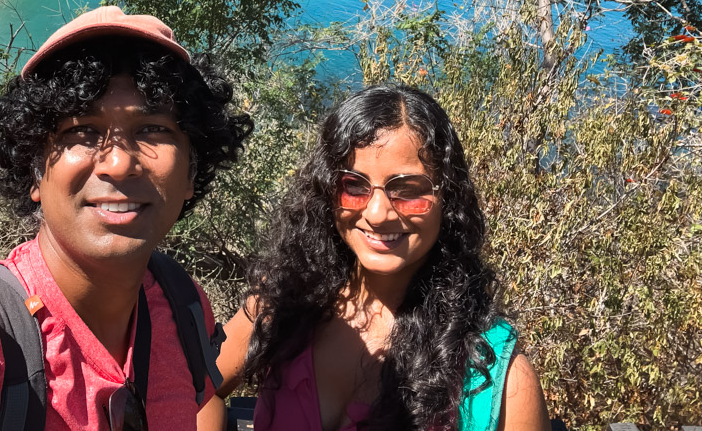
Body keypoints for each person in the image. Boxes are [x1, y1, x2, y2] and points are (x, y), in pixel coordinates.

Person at [0, 5, 253, 431]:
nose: (119, 163)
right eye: (81, 132)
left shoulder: (181, 303)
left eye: (152, 130)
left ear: (191, 173)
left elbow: (200, 403)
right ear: (34, 171)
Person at [200, 85, 550, 431]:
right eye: (353, 185)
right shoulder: (283, 306)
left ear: (449, 200)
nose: (378, 213)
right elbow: (201, 390)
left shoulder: (495, 380)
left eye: (408, 190)